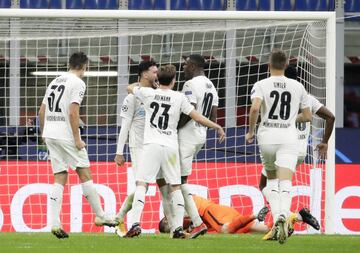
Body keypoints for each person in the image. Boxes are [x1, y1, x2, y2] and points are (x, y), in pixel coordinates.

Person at [125, 64, 225, 239]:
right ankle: (177, 228)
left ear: (158, 80)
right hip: (170, 147)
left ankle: (134, 224)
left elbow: (130, 88)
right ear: (174, 81)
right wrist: (216, 125)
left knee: (141, 184)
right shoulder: (179, 97)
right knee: (175, 186)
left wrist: (146, 85)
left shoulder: (148, 93)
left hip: (151, 145)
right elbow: (197, 116)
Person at [38, 52, 117, 239]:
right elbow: (73, 112)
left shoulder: (55, 81)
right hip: (66, 135)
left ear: (69, 64)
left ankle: (55, 223)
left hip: (50, 133)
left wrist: (44, 132)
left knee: (60, 176)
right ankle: (101, 216)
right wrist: (77, 139)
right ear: (85, 66)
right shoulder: (78, 83)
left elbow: (42, 110)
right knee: (84, 173)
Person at [259, 67, 334, 240]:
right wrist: (324, 142)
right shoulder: (308, 98)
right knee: (279, 185)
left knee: (267, 184)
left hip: (283, 148)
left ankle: (284, 219)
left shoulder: (276, 95)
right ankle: (293, 217)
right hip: (299, 153)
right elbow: (331, 117)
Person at [245, 49, 312, 244]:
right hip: (288, 138)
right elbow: (307, 116)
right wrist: (292, 118)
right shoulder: (298, 86)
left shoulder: (261, 84)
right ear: (285, 66)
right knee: (286, 181)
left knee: (271, 180)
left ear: (268, 66)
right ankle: (284, 213)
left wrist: (250, 131)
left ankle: (278, 216)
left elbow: (255, 108)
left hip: (267, 137)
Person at [165, 54, 219, 238]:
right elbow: (213, 117)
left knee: (176, 182)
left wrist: (173, 127)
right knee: (179, 180)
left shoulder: (190, 85)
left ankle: (191, 223)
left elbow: (190, 110)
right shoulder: (211, 86)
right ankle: (193, 223)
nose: (183, 68)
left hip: (186, 136)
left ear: (194, 66)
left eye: (186, 65)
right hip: (200, 136)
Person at [113, 60, 158, 236]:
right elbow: (125, 126)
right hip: (138, 147)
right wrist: (119, 152)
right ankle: (132, 223)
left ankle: (118, 218)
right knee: (142, 185)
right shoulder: (131, 97)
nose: (157, 74)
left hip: (156, 147)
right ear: (145, 74)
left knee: (150, 186)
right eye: (154, 72)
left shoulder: (157, 94)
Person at [159, 196, 320, 236]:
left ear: (166, 219)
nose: (172, 228)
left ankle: (255, 214)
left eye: (168, 227)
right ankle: (298, 216)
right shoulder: (179, 220)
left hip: (211, 212)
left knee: (225, 230)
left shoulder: (174, 210)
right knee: (270, 231)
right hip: (224, 216)